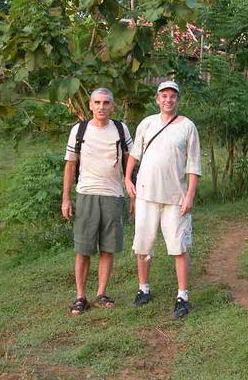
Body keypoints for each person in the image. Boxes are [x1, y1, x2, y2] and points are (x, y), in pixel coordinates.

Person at [125, 80, 201, 319]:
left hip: (175, 199)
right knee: (143, 245)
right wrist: (128, 179)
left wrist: (189, 195)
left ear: (177, 100)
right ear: (157, 99)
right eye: (164, 96)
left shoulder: (188, 127)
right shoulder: (147, 124)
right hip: (146, 195)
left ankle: (182, 296)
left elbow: (193, 165)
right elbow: (134, 154)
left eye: (172, 96)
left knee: (179, 247)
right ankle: (143, 289)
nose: (168, 100)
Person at [61, 87, 133, 315]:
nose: (102, 107)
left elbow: (131, 162)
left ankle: (101, 293)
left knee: (108, 248)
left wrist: (133, 194)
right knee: (83, 249)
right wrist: (66, 198)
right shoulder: (79, 130)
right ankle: (80, 296)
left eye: (106, 102)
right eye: (97, 102)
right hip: (86, 194)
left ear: (113, 106)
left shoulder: (121, 129)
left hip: (113, 195)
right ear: (90, 105)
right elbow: (70, 164)